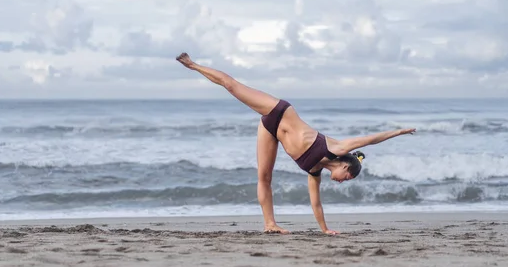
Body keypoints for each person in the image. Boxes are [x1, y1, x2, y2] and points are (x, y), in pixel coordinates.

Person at [176, 52, 416, 235]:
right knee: (232, 86)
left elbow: (316, 204)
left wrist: (325, 230)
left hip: (269, 130)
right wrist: (401, 131)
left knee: (264, 177)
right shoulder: (337, 148)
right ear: (345, 166)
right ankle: (193, 65)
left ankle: (270, 224)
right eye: (347, 178)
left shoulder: (314, 172)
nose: (343, 182)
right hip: (278, 111)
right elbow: (372, 139)